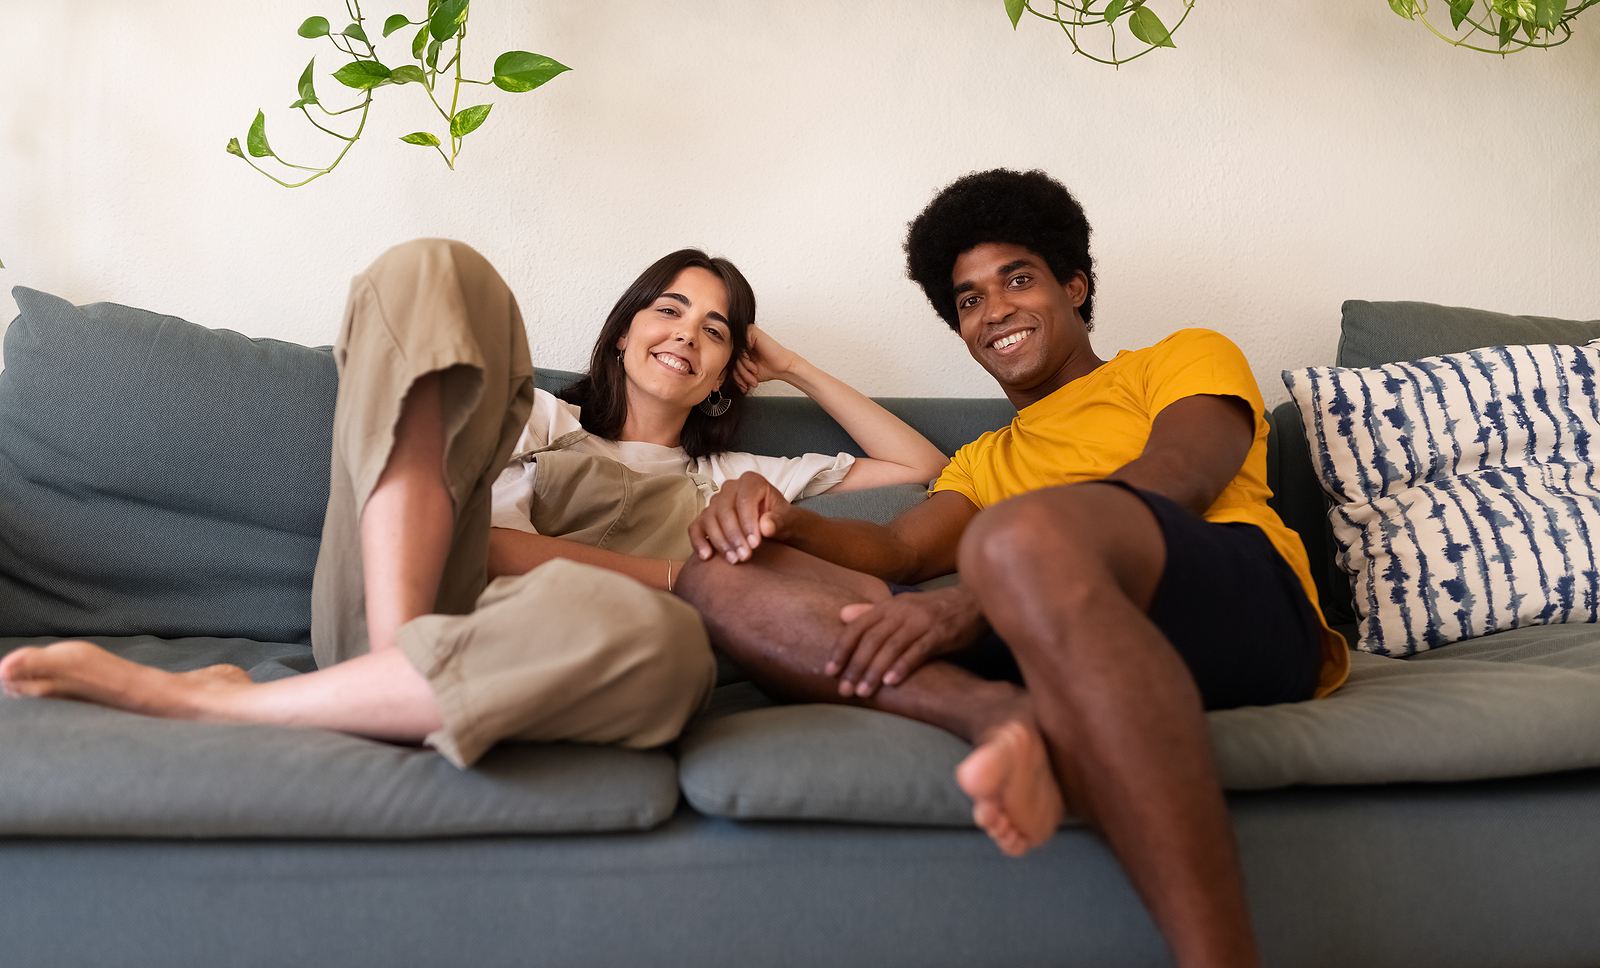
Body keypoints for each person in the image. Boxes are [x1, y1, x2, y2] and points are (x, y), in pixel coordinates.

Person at [674, 170, 1350, 968]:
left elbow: (1178, 478)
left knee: (1018, 537)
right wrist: (783, 514)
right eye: (967, 300)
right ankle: (998, 717)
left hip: (1240, 602)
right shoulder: (985, 460)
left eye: (1017, 279)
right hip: (1050, 626)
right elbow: (899, 553)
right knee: (712, 578)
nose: (993, 310)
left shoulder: (1179, 357)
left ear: (1074, 286)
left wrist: (978, 596)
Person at [0, 239, 948, 768]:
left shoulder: (732, 482)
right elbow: (484, 547)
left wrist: (790, 365)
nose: (686, 335)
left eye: (716, 331)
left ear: (723, 376)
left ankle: (244, 708)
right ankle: (393, 662)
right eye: (667, 308)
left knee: (661, 646)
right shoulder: (534, 416)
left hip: (557, 654)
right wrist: (673, 573)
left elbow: (922, 467)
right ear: (622, 334)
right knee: (444, 274)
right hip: (401, 603)